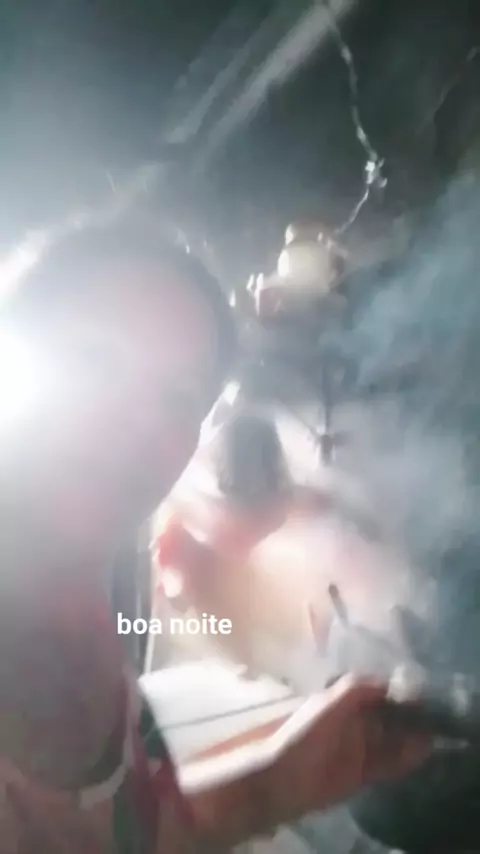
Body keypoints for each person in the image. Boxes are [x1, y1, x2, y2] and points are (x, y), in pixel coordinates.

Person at [0, 207, 430, 853]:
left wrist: (274, 785)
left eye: (178, 396)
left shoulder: (90, 608)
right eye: (94, 359)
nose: (138, 421)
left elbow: (127, 836)